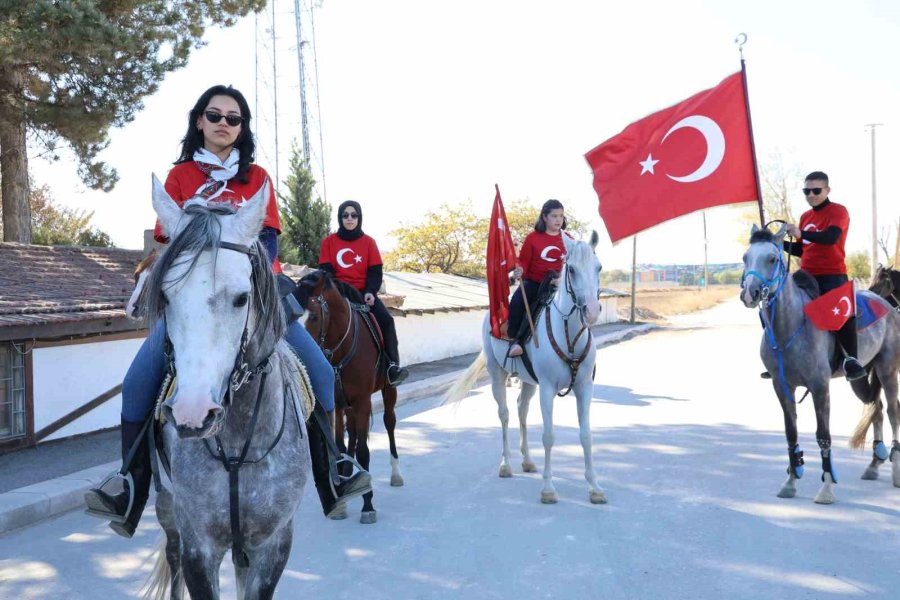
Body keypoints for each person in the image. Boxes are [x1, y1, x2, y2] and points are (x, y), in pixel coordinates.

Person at [84, 85, 369, 537]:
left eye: (233, 118)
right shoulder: (179, 177)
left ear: (242, 127)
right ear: (199, 120)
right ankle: (129, 484)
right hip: (194, 295)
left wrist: (246, 269)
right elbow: (168, 241)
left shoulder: (257, 179)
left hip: (252, 288)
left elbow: (270, 238)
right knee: (140, 378)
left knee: (317, 368)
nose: (223, 123)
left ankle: (333, 469)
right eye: (214, 115)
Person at [783, 171, 865, 381]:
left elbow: (830, 238)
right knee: (780, 305)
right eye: (806, 191)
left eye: (816, 190)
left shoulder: (838, 211)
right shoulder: (805, 217)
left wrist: (802, 234)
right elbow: (803, 250)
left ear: (827, 190)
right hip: (805, 276)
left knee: (843, 312)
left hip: (832, 274)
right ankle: (780, 356)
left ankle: (851, 360)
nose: (811, 194)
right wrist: (777, 244)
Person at [317, 200, 409, 385]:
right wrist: (337, 292)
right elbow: (325, 271)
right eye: (345, 215)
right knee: (315, 320)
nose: (349, 219)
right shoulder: (329, 242)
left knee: (387, 321)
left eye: (354, 215)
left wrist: (370, 292)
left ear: (359, 217)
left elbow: (375, 272)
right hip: (338, 294)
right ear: (340, 218)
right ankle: (315, 367)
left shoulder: (369, 242)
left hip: (363, 294)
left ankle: (392, 366)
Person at [507, 199, 570, 357]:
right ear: (544, 217)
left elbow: (571, 264)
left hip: (559, 286)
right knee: (517, 302)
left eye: (561, 216)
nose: (558, 219)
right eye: (554, 216)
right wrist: (519, 270)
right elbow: (524, 261)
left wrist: (561, 279)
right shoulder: (533, 238)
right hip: (535, 283)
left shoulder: (568, 238)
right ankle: (516, 341)